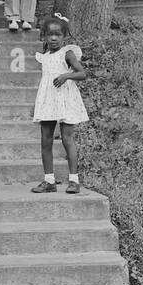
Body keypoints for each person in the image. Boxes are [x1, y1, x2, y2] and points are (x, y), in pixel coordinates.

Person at [30, 13, 88, 195]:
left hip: (65, 99)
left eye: (58, 35)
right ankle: (49, 180)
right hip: (48, 100)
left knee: (67, 139)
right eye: (50, 35)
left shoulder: (67, 53)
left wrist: (66, 75)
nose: (54, 38)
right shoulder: (44, 56)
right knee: (45, 140)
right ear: (44, 36)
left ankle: (74, 180)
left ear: (64, 37)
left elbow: (82, 73)